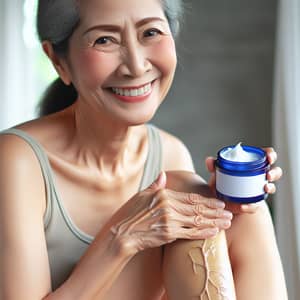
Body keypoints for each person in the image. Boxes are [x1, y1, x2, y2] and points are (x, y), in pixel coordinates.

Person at [0, 0, 287, 299]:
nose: (136, 65)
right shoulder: (16, 160)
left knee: (246, 214)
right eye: (104, 40)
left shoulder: (170, 153)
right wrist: (122, 238)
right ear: (59, 61)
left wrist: (224, 205)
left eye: (150, 32)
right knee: (183, 189)